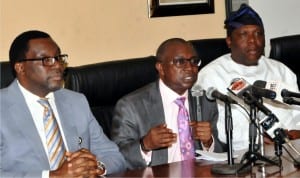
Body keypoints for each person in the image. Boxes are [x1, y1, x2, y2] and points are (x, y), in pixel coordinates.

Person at [0, 30, 126, 177]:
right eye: (46, 60)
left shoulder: (76, 102)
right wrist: (53, 176)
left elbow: (115, 157)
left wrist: (95, 167)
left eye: (58, 58)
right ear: (20, 68)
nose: (58, 66)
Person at [195, 4, 300, 151]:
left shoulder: (281, 70)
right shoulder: (210, 76)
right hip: (242, 154)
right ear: (229, 41)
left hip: (291, 148)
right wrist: (257, 137)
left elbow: (297, 112)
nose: (252, 40)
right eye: (244, 34)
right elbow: (214, 129)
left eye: (258, 33)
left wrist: (297, 133)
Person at [111, 38, 226, 170]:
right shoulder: (131, 106)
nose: (190, 68)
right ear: (161, 68)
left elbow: (220, 152)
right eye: (180, 62)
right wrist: (145, 145)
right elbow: (117, 157)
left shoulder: (205, 100)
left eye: (194, 61)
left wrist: (209, 141)